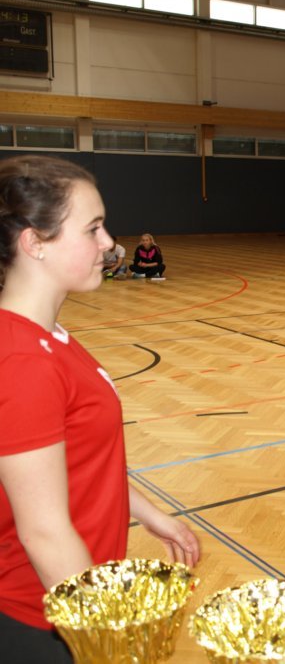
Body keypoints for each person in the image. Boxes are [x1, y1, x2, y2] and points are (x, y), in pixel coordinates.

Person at [0, 155, 201, 662]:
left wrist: (149, 513)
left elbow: (71, 463)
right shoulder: (22, 360)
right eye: (92, 229)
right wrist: (106, 636)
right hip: (45, 616)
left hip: (74, 600)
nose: (109, 242)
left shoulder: (49, 337)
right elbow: (43, 531)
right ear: (35, 243)